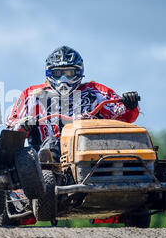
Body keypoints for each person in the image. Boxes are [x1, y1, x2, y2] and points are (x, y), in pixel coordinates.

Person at [7, 45, 140, 161]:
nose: (63, 78)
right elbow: (10, 128)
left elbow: (124, 118)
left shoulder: (95, 91)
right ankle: (48, 163)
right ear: (49, 73)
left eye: (70, 72)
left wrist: (130, 104)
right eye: (58, 73)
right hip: (43, 156)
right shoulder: (32, 95)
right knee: (51, 143)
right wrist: (24, 124)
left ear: (79, 72)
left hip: (91, 149)